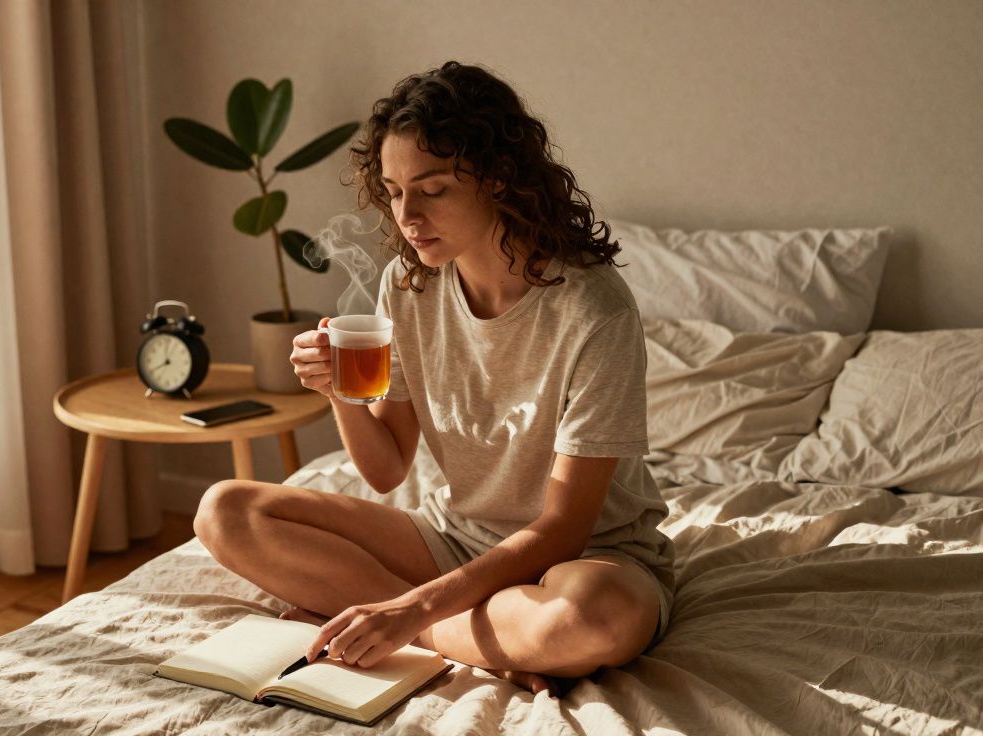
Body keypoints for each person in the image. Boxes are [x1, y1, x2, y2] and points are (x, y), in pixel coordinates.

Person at [193, 61, 675, 696]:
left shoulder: (594, 310)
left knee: (588, 620)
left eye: (433, 188)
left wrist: (413, 612)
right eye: (393, 191)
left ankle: (405, 624)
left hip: (585, 560)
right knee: (224, 511)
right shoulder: (409, 283)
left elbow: (564, 528)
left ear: (500, 178)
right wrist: (338, 389)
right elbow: (388, 467)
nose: (407, 214)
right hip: (456, 539)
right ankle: (461, 634)